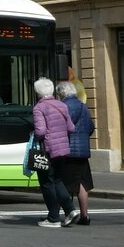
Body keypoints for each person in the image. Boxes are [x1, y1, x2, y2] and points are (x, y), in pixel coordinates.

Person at [32, 78, 79, 228]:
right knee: (57, 180)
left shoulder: (39, 108)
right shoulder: (62, 105)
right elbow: (71, 128)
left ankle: (53, 217)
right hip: (63, 149)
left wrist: (34, 134)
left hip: (48, 150)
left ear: (38, 92)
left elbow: (41, 131)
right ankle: (70, 210)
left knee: (46, 183)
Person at [57, 80, 94, 225]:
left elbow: (62, 128)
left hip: (68, 150)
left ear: (61, 94)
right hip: (83, 151)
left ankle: (67, 213)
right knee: (83, 183)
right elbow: (91, 127)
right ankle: (85, 216)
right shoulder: (83, 107)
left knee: (64, 183)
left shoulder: (63, 107)